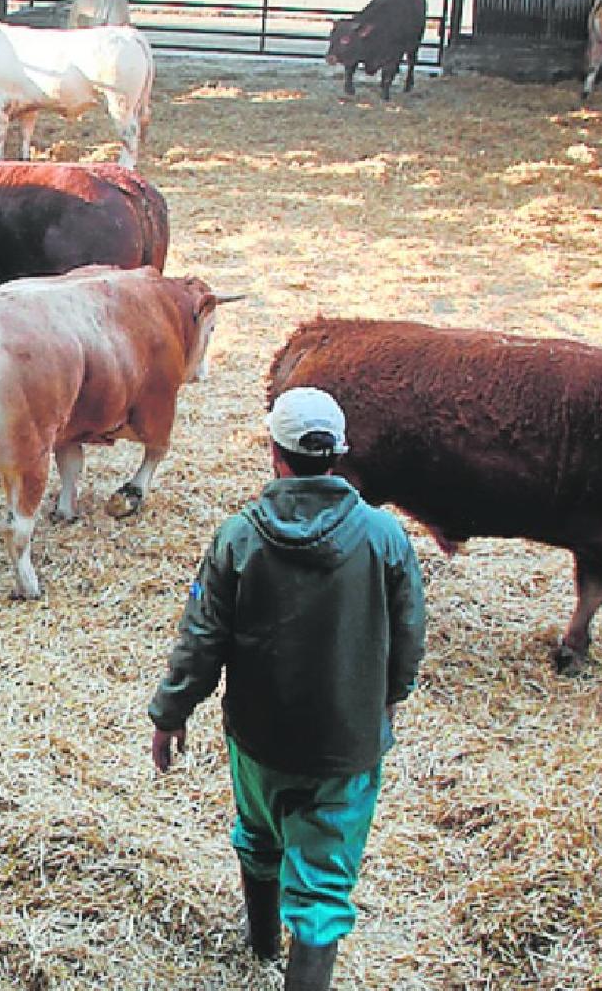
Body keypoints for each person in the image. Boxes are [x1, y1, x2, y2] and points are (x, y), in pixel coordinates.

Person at [147, 387, 425, 990]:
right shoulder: (384, 537)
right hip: (346, 748)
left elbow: (201, 640)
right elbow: (408, 642)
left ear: (276, 454)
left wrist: (170, 713)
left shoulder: (237, 538)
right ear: (338, 455)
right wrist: (385, 703)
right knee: (323, 885)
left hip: (258, 739)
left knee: (259, 834)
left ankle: (261, 941)